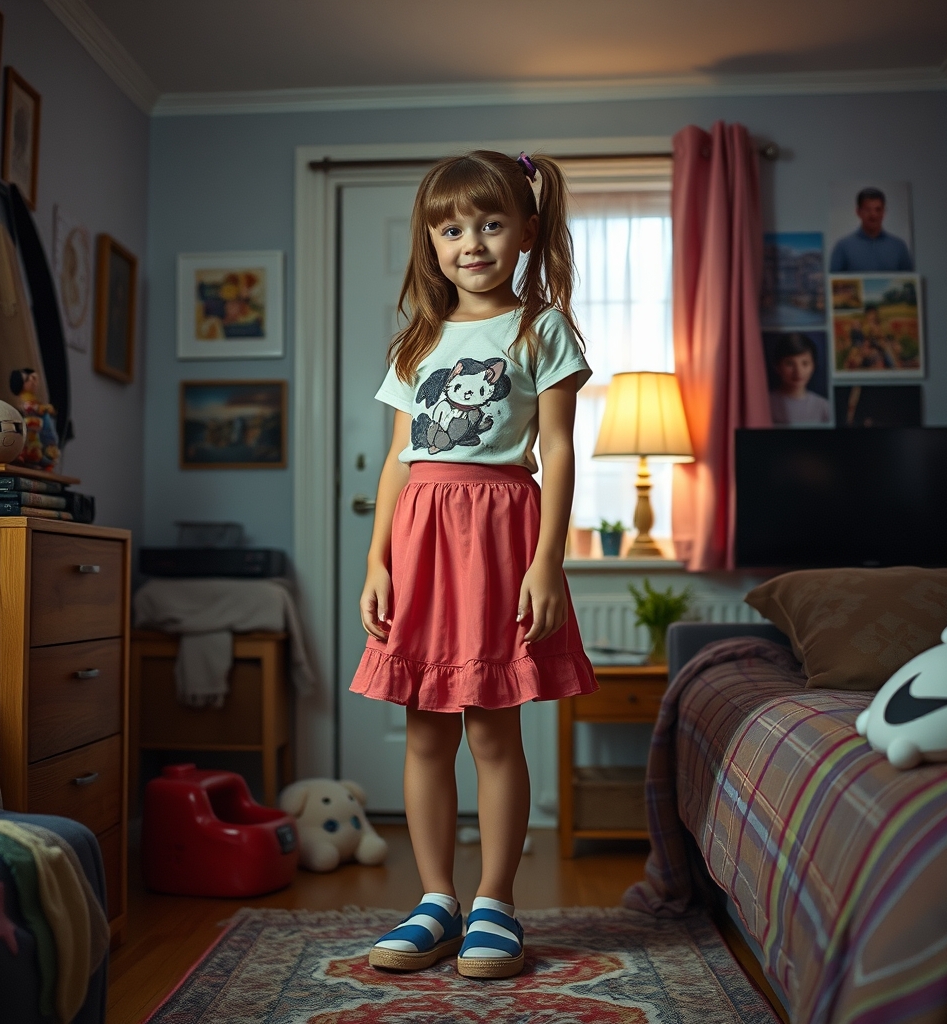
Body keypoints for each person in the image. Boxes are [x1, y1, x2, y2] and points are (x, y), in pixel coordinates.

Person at [350, 151, 598, 980]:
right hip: (421, 544)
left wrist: (546, 563)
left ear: (527, 230)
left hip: (499, 540)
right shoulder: (418, 337)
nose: (472, 243)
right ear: (431, 237)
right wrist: (377, 561)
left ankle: (494, 900)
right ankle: (435, 901)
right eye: (452, 227)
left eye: (492, 225)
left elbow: (557, 451)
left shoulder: (541, 327)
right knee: (425, 732)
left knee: (492, 730)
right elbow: (396, 459)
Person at [829, 187, 913, 272]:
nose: (873, 215)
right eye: (867, 210)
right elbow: (833, 283)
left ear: (884, 212)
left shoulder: (899, 247)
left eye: (878, 210)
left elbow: (911, 280)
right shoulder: (843, 247)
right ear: (858, 212)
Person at [768, 333, 831, 425]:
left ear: (813, 366)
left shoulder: (824, 407)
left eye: (805, 363)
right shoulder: (766, 404)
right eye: (790, 364)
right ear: (777, 366)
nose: (798, 372)